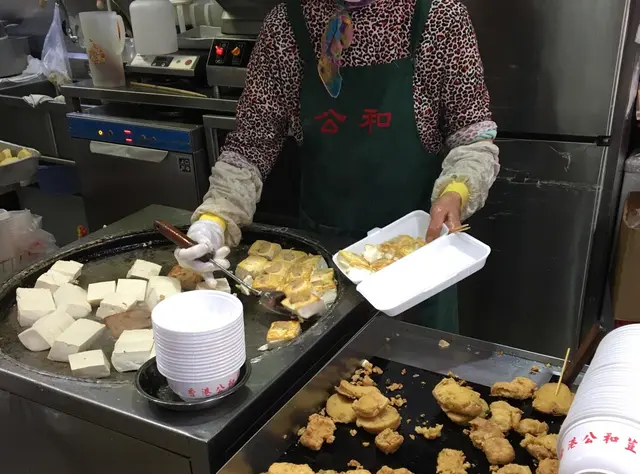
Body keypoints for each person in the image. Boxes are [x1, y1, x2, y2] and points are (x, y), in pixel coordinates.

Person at [176, 0, 500, 331]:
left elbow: (472, 136)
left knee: (419, 359)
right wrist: (216, 218)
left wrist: (457, 190)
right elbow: (250, 144)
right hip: (324, 261)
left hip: (419, 261)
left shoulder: (439, 18)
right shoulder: (286, 27)